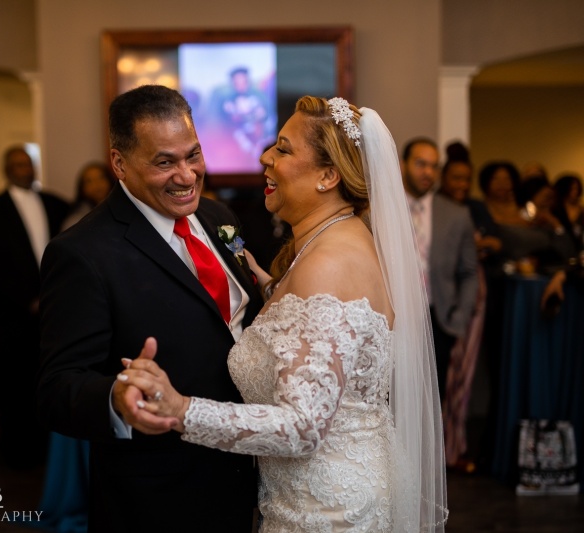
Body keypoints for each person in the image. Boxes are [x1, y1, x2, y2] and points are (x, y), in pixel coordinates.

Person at [117, 96, 448, 532]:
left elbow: (302, 426)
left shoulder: (328, 264)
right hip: (329, 490)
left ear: (329, 176)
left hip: (326, 511)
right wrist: (273, 288)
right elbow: (326, 332)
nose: (264, 157)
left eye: (284, 149)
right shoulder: (339, 240)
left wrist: (181, 410)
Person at [37, 85, 264, 533]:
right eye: (165, 162)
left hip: (247, 471)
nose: (187, 175)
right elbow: (56, 388)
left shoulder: (220, 218)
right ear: (120, 163)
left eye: (193, 155)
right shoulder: (82, 253)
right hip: (159, 494)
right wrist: (116, 399)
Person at [0, 145, 69, 468]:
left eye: (27, 163)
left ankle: (51, 453)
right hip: (11, 317)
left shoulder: (56, 204)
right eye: (15, 164)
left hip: (56, 312)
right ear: (5, 169)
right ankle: (18, 457)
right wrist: (27, 299)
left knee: (53, 379)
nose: (23, 168)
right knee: (15, 387)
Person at [400, 137, 478, 405]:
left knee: (432, 401)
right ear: (402, 164)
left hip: (438, 318)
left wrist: (459, 317)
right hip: (393, 316)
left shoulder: (457, 214)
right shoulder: (382, 207)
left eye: (434, 166)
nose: (428, 173)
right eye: (421, 164)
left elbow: (469, 271)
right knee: (392, 397)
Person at [437, 144, 485, 472]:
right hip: (440, 304)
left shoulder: (473, 209)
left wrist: (460, 316)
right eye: (456, 177)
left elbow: (469, 268)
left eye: (467, 179)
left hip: (463, 305)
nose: (462, 184)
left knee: (459, 380)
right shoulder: (432, 208)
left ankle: (453, 448)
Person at [60, 162, 116, 231]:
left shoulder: (122, 209)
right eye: (89, 181)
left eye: (101, 177)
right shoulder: (75, 220)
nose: (97, 184)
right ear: (82, 188)